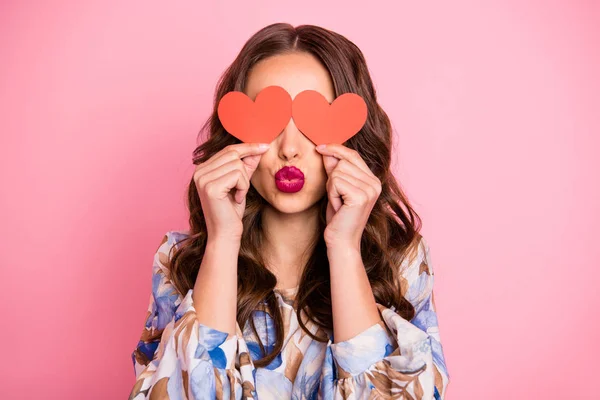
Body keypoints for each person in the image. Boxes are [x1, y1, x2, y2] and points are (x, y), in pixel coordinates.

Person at [129, 22, 450, 400]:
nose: (290, 149)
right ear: (235, 134)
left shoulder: (402, 262)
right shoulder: (180, 262)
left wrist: (345, 248)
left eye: (313, 122)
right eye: (270, 121)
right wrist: (223, 241)